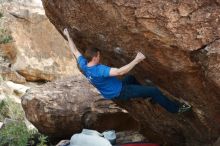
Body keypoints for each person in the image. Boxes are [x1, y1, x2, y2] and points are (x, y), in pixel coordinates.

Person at [63, 28, 191, 113]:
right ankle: (176, 109)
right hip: (121, 92)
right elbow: (119, 72)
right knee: (154, 90)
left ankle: (146, 96)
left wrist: (68, 35)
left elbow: (74, 50)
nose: (100, 57)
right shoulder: (99, 70)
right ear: (95, 57)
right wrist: (137, 59)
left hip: (112, 91)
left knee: (132, 78)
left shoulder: (84, 64)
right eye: (99, 55)